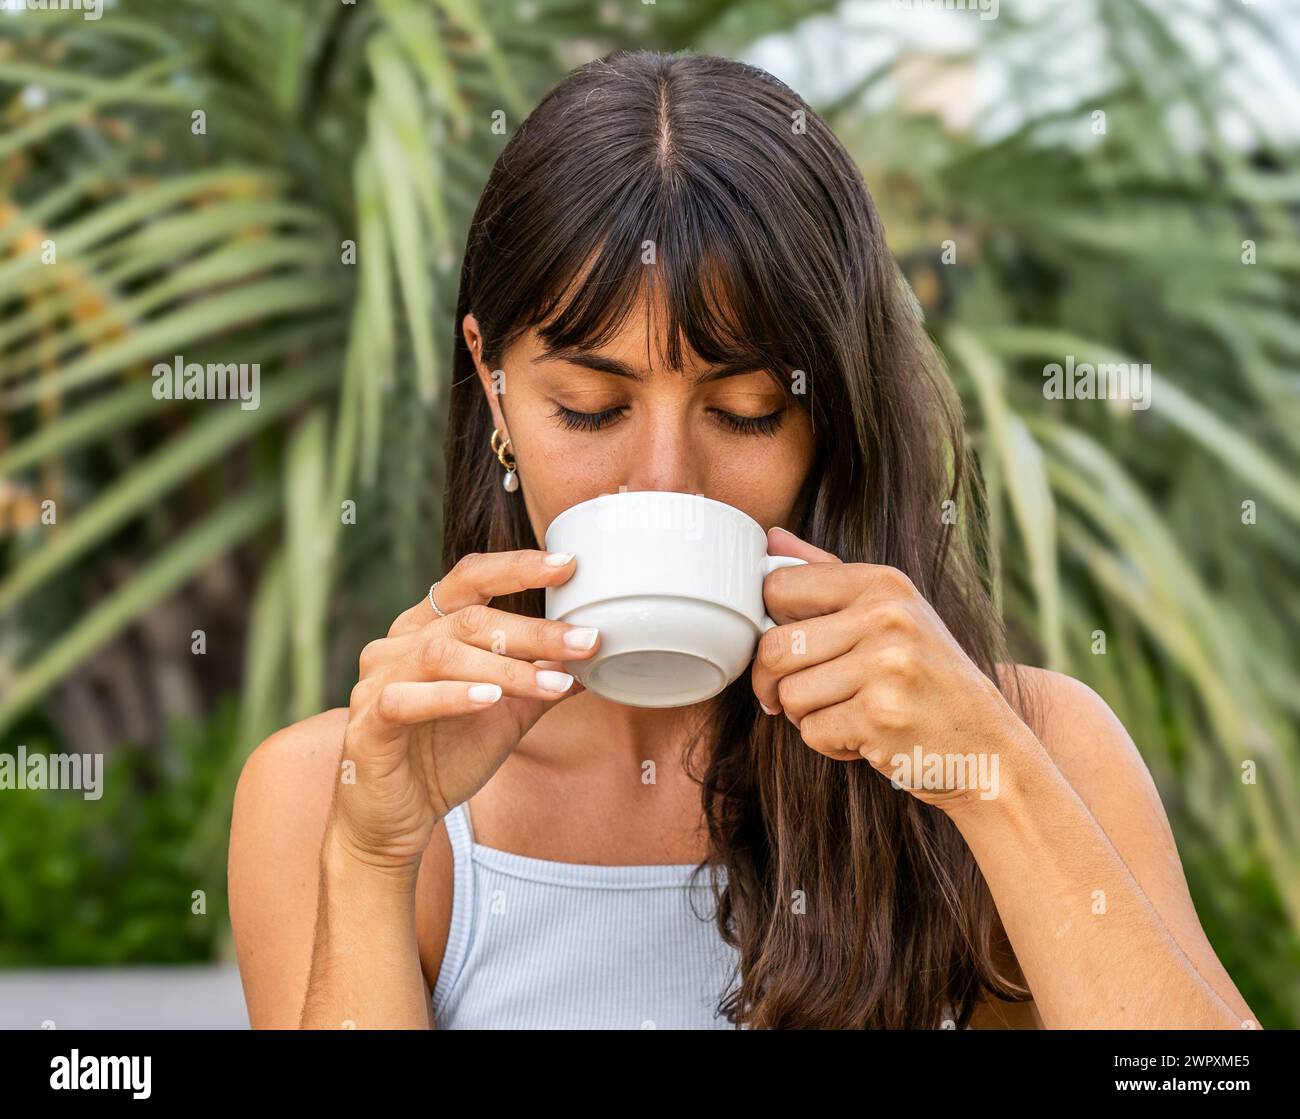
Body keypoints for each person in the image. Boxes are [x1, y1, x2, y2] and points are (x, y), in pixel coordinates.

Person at [228, 49, 1256, 1030]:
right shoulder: (336, 794)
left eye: (750, 410)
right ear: (491, 382)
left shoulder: (1027, 744)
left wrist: (997, 782)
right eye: (589, 408)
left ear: (833, 414)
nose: (665, 479)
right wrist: (372, 857)